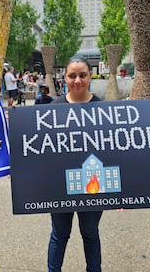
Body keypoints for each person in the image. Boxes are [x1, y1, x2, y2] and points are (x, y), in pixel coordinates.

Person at [48, 57, 102, 272]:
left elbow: (113, 154)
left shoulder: (101, 108)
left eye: (82, 75)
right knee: (59, 234)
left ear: (90, 76)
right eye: (72, 75)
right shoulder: (53, 108)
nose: (77, 80)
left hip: (93, 184)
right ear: (65, 78)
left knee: (90, 232)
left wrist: (121, 193)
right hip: (60, 186)